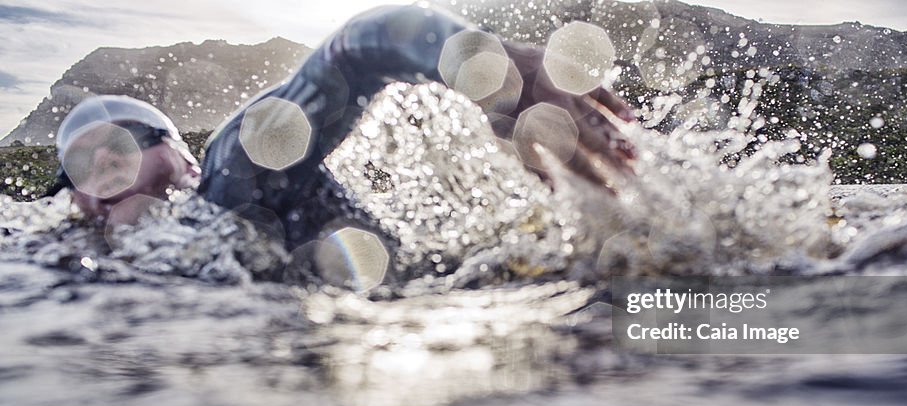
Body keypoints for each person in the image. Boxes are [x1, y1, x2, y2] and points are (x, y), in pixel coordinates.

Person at [51, 4, 636, 248]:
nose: (104, 170)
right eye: (83, 167)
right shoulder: (67, 266)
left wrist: (489, 65)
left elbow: (356, 47)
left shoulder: (233, 179)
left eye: (122, 148)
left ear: (185, 160)